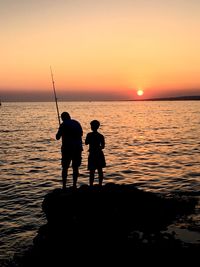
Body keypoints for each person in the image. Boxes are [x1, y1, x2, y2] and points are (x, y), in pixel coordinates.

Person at [56, 112, 83, 189]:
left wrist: (61, 130)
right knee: (75, 167)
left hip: (67, 148)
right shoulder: (76, 123)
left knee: (65, 167)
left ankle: (64, 186)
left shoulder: (63, 125)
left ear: (62, 118)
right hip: (78, 148)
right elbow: (81, 134)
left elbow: (57, 137)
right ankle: (74, 185)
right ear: (69, 116)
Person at [85, 120, 106, 186]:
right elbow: (103, 146)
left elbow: (86, 143)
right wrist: (98, 148)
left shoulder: (89, 135)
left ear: (92, 127)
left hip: (92, 154)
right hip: (99, 154)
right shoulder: (101, 136)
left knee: (92, 171)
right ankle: (100, 184)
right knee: (100, 170)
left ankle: (91, 185)